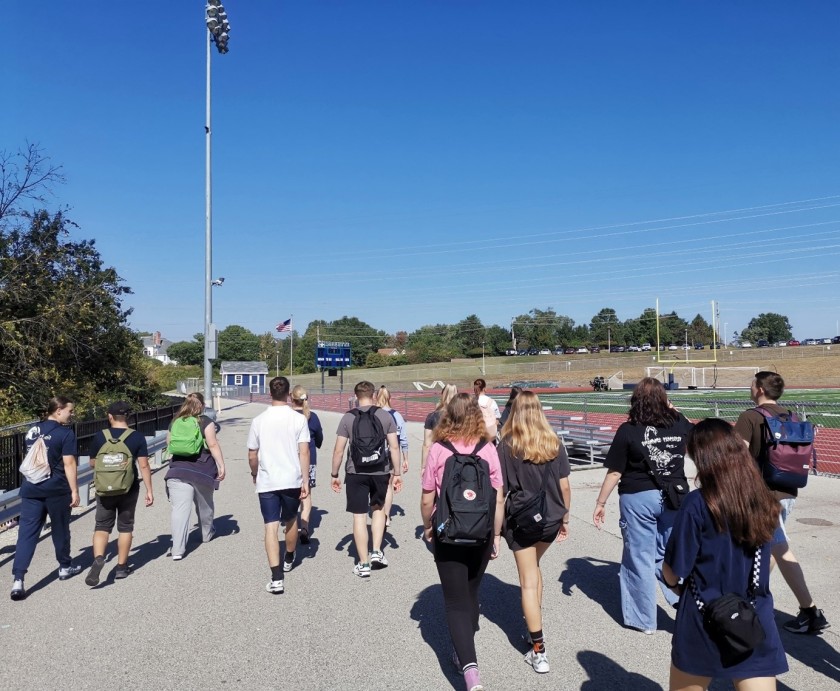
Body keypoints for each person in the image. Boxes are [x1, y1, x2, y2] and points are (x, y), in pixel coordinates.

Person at [664, 418, 788, 690]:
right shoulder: (764, 499)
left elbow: (674, 569)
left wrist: (673, 586)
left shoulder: (698, 503)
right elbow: (770, 559)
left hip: (703, 614)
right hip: (753, 614)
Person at [592, 377, 692, 633]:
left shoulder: (628, 430)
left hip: (638, 497)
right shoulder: (679, 423)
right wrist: (674, 411)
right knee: (670, 553)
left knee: (639, 557)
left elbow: (615, 472)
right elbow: (695, 440)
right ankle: (684, 601)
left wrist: (601, 502)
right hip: (674, 496)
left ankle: (643, 619)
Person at [733, 371, 829, 634]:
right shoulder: (791, 416)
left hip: (761, 495)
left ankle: (810, 611)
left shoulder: (750, 417)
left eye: (753, 384)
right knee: (772, 547)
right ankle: (751, 593)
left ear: (760, 389)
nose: (750, 388)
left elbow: (735, 457)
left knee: (779, 548)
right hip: (788, 492)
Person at [421, 393, 505, 691]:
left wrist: (428, 525)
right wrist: (495, 535)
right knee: (471, 592)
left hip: (448, 530)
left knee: (455, 601)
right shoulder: (488, 448)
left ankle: (470, 673)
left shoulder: (439, 450)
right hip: (481, 531)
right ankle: (463, 647)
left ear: (448, 416)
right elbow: (497, 498)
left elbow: (427, 495)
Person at [498, 390, 572, 674]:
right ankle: (533, 627)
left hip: (522, 520)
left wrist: (494, 531)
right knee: (535, 568)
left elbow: (499, 491)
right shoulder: (553, 441)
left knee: (528, 580)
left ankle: (539, 649)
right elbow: (565, 486)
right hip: (551, 517)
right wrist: (565, 517)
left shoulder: (506, 445)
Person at [11, 396, 82, 600]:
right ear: (58, 410)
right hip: (56, 490)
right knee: (60, 530)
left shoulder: (33, 430)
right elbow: (69, 464)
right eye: (70, 410)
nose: (72, 414)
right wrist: (74, 490)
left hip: (31, 489)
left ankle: (18, 579)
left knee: (26, 534)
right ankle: (65, 566)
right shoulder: (65, 433)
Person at [330, 381, 402, 577]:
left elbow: (338, 449)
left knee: (359, 516)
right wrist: (397, 473)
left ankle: (363, 563)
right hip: (380, 470)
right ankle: (377, 551)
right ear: (374, 395)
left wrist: (334, 474)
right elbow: (394, 447)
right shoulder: (385, 415)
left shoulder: (348, 418)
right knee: (378, 510)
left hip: (356, 472)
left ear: (355, 396)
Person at [248, 377, 310, 594]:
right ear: (288, 394)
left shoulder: (259, 421)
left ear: (269, 392)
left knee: (270, 526)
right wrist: (305, 480)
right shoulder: (298, 419)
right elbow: (304, 452)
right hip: (291, 478)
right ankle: (290, 555)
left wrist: (255, 473)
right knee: (291, 520)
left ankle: (276, 578)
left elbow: (252, 453)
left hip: (268, 479)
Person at [85, 401, 153, 586]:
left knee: (102, 526)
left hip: (104, 488)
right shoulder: (137, 437)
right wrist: (149, 490)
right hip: (128, 487)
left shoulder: (100, 436)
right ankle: (121, 567)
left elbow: (92, 463)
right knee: (125, 527)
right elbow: (144, 465)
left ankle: (99, 558)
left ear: (110, 416)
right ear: (128, 417)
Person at [164, 392, 226, 561]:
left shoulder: (175, 422)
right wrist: (221, 465)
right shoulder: (205, 422)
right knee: (205, 506)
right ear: (202, 406)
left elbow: (169, 444)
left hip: (177, 471)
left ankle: (177, 550)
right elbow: (212, 444)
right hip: (203, 471)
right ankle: (206, 533)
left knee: (179, 510)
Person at [290, 385, 322, 545]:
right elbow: (320, 439)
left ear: (291, 398)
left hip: (289, 459)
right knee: (306, 494)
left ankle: (290, 524)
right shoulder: (312, 417)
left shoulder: (287, 416)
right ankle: (305, 527)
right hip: (309, 460)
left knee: (289, 492)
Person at [376, 385, 409, 528]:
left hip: (374, 453)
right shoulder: (396, 415)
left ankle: (378, 511)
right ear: (390, 397)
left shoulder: (374, 414)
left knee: (376, 484)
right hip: (390, 452)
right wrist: (405, 458)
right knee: (388, 485)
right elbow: (403, 439)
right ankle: (387, 516)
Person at [421, 383, 458, 473]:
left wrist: (424, 467)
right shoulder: (462, 416)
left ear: (442, 395)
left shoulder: (432, 416)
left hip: (439, 458)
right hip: (459, 458)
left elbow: (427, 444)